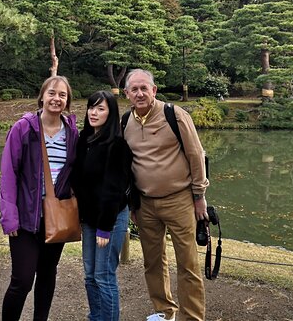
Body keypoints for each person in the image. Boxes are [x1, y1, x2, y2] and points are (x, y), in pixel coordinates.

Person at [122, 69, 209, 321]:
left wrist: (199, 195)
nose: (140, 93)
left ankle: (191, 317)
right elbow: (126, 165)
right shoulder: (125, 121)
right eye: (134, 89)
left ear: (154, 90)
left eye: (144, 88)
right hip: (145, 204)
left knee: (188, 263)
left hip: (179, 199)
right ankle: (164, 312)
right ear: (127, 94)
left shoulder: (174, 115)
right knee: (153, 262)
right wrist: (132, 204)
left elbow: (196, 155)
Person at [0, 75, 79, 321]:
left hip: (56, 216)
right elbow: (9, 172)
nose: (57, 99)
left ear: (67, 101)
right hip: (25, 217)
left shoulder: (71, 132)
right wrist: (9, 216)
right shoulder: (24, 128)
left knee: (47, 274)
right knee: (22, 280)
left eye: (62, 95)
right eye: (52, 93)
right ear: (42, 96)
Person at [71, 90, 133, 321]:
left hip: (110, 219)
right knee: (90, 275)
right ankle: (96, 317)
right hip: (89, 219)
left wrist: (105, 226)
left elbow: (114, 190)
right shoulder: (84, 141)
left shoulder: (117, 146)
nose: (93, 113)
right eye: (91, 107)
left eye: (100, 108)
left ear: (111, 113)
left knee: (104, 275)